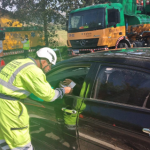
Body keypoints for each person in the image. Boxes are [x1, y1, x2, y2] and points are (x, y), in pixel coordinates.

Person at [0, 47, 72, 150]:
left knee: (4, 139)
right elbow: (49, 96)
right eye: (50, 65)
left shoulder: (18, 61)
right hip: (10, 108)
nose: (50, 69)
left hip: (2, 105)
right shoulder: (34, 71)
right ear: (44, 62)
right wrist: (64, 91)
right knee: (22, 143)